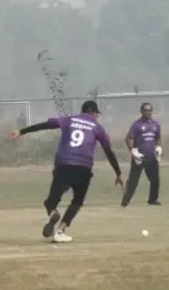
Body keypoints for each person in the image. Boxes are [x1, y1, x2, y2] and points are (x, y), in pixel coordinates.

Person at [10, 99, 123, 243]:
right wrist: (118, 173)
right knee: (77, 201)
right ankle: (60, 231)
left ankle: (53, 213)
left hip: (64, 164)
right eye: (97, 114)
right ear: (93, 113)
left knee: (50, 201)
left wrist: (22, 131)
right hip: (83, 167)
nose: (97, 117)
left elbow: (47, 125)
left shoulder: (69, 120)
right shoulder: (97, 127)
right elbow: (108, 151)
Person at [120, 102, 163, 207]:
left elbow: (158, 138)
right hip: (139, 157)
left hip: (151, 157)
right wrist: (133, 150)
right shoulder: (137, 125)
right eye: (145, 110)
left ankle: (152, 200)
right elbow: (129, 138)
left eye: (149, 110)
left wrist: (158, 147)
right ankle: (125, 202)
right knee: (133, 181)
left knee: (155, 180)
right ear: (141, 111)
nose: (148, 112)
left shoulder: (155, 124)